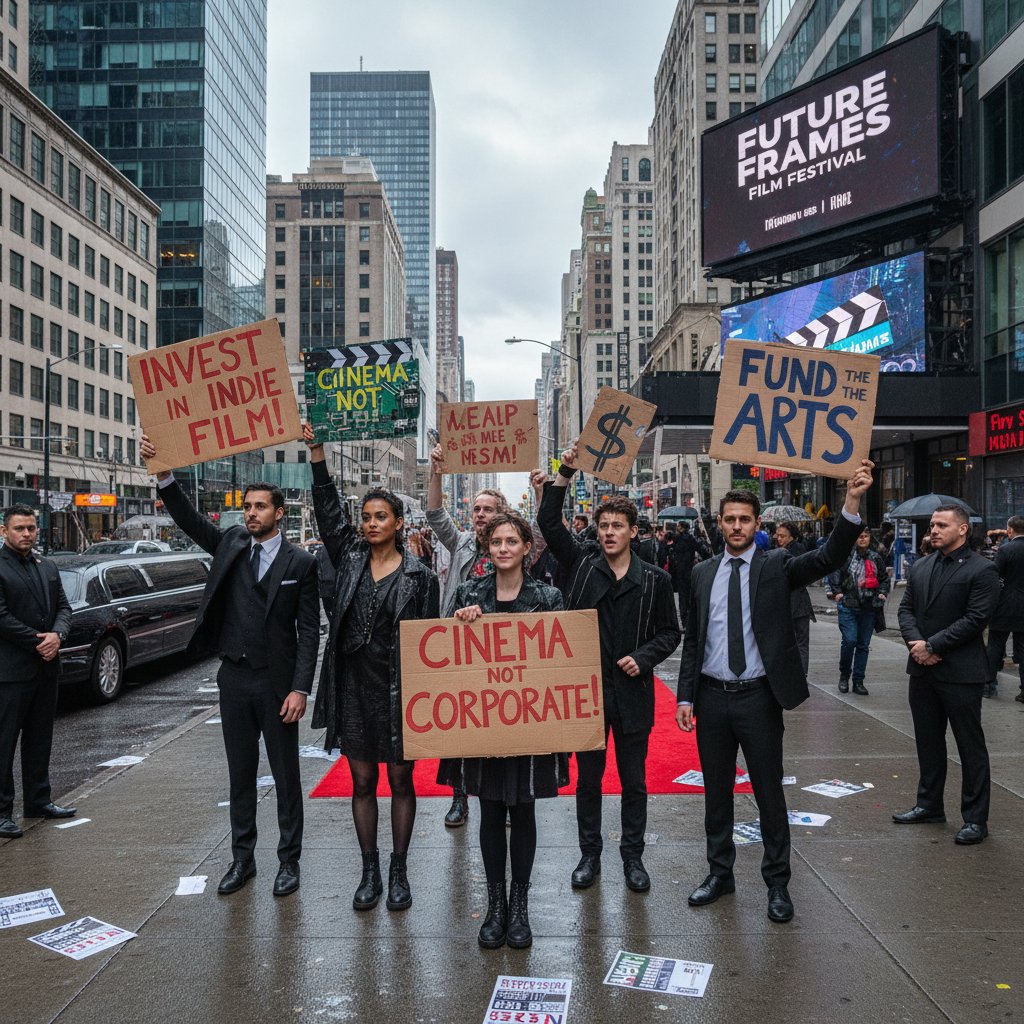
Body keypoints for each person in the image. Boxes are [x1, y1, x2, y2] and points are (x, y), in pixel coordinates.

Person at [677, 460, 874, 923]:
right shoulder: (703, 573)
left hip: (758, 698)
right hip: (710, 696)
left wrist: (851, 503)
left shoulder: (777, 565)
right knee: (717, 795)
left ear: (757, 524)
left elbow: (827, 558)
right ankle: (719, 874)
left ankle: (777, 884)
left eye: (745, 519)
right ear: (720, 523)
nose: (737, 526)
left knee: (768, 792)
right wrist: (685, 696)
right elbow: (694, 637)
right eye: (730, 519)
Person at [141, 436, 319, 897]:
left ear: (279, 512)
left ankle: (288, 862)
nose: (251, 513)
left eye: (260, 506)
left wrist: (301, 689)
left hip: (277, 684)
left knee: (285, 777)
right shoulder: (232, 544)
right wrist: (164, 475)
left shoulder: (300, 562)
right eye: (247, 506)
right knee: (240, 775)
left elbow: (309, 632)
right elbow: (188, 519)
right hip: (234, 679)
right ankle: (242, 860)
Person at [306, 424, 439, 909]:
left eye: (381, 516)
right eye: (366, 517)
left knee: (401, 781)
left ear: (399, 523)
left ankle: (399, 871)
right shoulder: (349, 560)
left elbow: (430, 644)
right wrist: (317, 453)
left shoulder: (420, 578)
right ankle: (369, 871)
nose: (371, 523)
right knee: (362, 782)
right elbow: (327, 515)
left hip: (401, 694)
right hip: (354, 690)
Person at [539, 446, 681, 893]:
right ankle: (589, 854)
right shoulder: (581, 566)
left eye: (617, 526)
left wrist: (644, 658)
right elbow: (547, 523)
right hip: (588, 695)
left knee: (634, 780)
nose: (609, 532)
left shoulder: (656, 579)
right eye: (603, 526)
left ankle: (633, 857)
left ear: (633, 531)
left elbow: (670, 633)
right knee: (589, 781)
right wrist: (564, 471)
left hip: (634, 696)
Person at [437, 512, 567, 949]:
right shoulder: (469, 592)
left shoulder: (549, 597)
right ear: (488, 549)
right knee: (491, 812)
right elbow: (449, 655)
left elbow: (560, 661)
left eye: (512, 541)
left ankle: (519, 906)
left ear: (527, 547)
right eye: (496, 542)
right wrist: (461, 621)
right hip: (484, 726)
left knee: (524, 812)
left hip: (530, 724)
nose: (504, 548)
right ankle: (494, 906)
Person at [425, 445, 544, 828]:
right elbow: (434, 513)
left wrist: (541, 493)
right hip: (462, 650)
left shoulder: (514, 547)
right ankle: (459, 797)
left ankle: (506, 794)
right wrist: (437, 472)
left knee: (502, 725)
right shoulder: (460, 543)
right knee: (459, 729)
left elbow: (540, 534)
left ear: (503, 516)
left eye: (487, 510)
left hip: (505, 655)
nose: (479, 516)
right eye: (476, 510)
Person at [895, 504, 1000, 845]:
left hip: (960, 672)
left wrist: (933, 645)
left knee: (970, 748)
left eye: (942, 525)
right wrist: (916, 643)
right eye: (932, 525)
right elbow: (905, 608)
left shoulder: (982, 570)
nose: (934, 530)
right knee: (928, 742)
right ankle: (929, 804)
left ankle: (974, 819)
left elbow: (975, 619)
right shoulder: (922, 565)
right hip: (922, 670)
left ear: (963, 530)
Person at [0, 505, 74, 840]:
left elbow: (63, 607)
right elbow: (0, 617)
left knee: (40, 738)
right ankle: (2, 813)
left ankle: (38, 801)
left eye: (31, 528)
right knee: (4, 744)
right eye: (19, 528)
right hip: (10, 672)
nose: (26, 534)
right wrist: (38, 641)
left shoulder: (47, 566)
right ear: (4, 532)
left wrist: (58, 635)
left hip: (46, 670)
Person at [824, 526, 890, 695]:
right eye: (859, 536)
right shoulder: (846, 557)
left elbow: (884, 579)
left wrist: (882, 593)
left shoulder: (875, 558)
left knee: (863, 645)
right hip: (848, 606)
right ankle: (844, 675)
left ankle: (858, 681)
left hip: (869, 607)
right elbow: (834, 573)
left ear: (869, 538)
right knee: (850, 640)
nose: (862, 539)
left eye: (865, 536)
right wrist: (838, 593)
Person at [984, 515, 1024, 701]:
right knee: (1023, 649)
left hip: (1005, 604)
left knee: (995, 646)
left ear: (1010, 530)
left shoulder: (1005, 549)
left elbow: (994, 574)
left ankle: (988, 684)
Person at [773, 522, 816, 675]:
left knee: (798, 642)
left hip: (794, 602)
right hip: (793, 603)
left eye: (782, 536)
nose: (779, 539)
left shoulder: (793, 552)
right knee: (797, 642)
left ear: (792, 537)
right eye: (777, 535)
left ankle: (799, 675)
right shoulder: (780, 551)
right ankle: (797, 674)